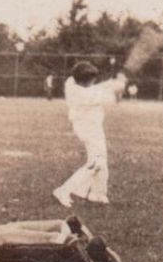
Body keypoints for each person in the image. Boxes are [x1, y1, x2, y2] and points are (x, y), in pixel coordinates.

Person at [53, 61, 127, 208]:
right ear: (85, 82)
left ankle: (97, 194)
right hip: (89, 129)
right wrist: (120, 84)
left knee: (102, 160)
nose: (93, 82)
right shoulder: (86, 95)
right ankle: (63, 190)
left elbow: (97, 87)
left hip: (86, 126)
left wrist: (113, 82)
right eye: (91, 80)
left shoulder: (71, 83)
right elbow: (113, 97)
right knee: (96, 162)